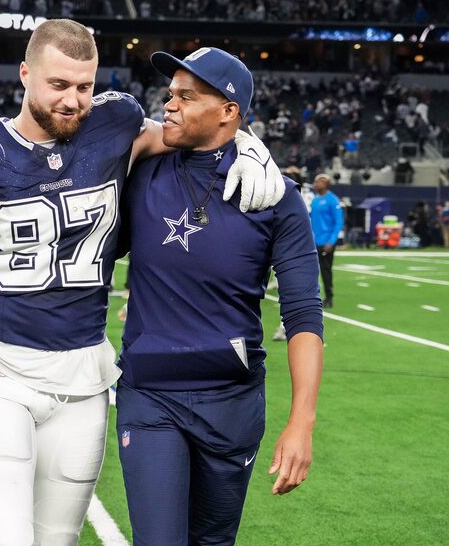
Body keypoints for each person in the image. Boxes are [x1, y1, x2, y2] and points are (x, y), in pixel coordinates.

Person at [0, 19, 283, 546]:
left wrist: (248, 143)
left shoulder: (114, 124)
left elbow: (191, 134)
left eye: (84, 86)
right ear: (25, 74)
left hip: (85, 380)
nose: (73, 100)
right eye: (59, 84)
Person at [115, 47, 323, 546]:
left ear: (229, 111)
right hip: (150, 396)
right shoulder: (141, 170)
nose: (169, 104)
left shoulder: (276, 196)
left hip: (231, 401)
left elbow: (303, 314)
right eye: (170, 94)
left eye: (187, 96)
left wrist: (302, 422)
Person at [310, 173, 343, 308]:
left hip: (326, 241)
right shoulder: (315, 200)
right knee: (312, 271)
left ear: (325, 183)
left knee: (325, 270)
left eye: (319, 182)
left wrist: (332, 240)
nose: (316, 184)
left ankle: (329, 297)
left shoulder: (333, 200)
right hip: (314, 241)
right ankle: (313, 297)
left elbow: (338, 222)